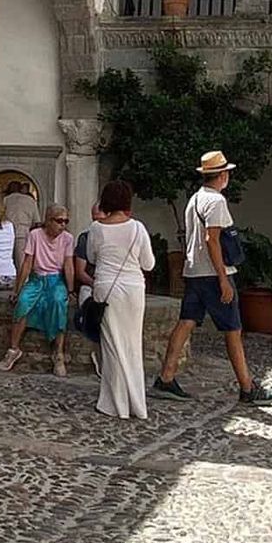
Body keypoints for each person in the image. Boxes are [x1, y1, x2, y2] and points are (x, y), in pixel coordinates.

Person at [152, 150, 272, 405]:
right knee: (233, 329)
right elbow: (213, 240)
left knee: (186, 321)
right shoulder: (217, 202)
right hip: (213, 273)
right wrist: (223, 278)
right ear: (222, 175)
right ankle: (247, 386)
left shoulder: (194, 199)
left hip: (194, 272)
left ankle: (165, 377)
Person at [86, 180, 155, 419]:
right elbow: (149, 263)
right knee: (132, 344)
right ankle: (136, 402)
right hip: (134, 288)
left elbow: (91, 257)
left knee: (111, 345)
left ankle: (114, 403)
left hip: (107, 287)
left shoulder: (97, 228)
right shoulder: (138, 228)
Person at [0, 204, 74, 376]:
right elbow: (27, 263)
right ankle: (13, 349)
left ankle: (59, 353)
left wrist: (70, 289)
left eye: (65, 221)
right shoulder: (35, 235)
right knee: (23, 303)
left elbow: (68, 264)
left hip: (56, 279)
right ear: (48, 221)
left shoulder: (68, 238)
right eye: (59, 221)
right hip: (37, 278)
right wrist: (17, 289)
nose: (63, 225)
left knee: (58, 303)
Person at [74, 200, 107, 375]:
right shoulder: (85, 238)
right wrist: (97, 285)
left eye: (100, 220)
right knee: (92, 312)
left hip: (110, 286)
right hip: (91, 285)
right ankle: (98, 353)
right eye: (94, 220)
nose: (96, 224)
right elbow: (80, 272)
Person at [5, 179, 41, 272]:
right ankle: (22, 284)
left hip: (5, 234)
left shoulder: (5, 199)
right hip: (23, 234)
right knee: (21, 264)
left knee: (5, 262)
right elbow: (37, 222)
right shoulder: (30, 200)